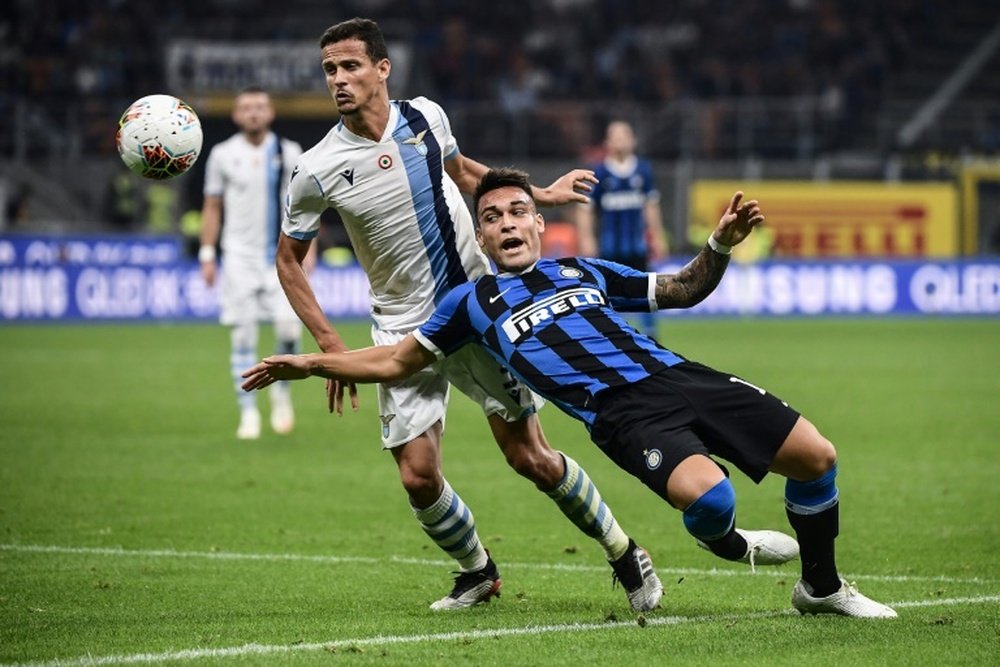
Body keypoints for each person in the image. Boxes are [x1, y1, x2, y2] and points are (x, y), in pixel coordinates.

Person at [246, 168, 898, 619]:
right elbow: (396, 359)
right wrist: (310, 360)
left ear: (538, 223)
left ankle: (821, 586)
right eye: (492, 217)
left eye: (518, 212)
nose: (506, 223)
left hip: (679, 375)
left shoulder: (580, 269)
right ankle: (732, 544)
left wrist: (718, 245)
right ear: (481, 238)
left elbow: (681, 288)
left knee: (818, 455)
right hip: (622, 414)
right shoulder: (469, 303)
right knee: (712, 498)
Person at [272, 17, 668, 613]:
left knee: (528, 455)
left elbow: (464, 173)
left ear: (383, 69)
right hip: (400, 326)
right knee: (418, 477)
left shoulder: (426, 117)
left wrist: (537, 194)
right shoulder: (316, 168)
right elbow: (288, 263)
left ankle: (623, 552)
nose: (339, 79)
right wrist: (329, 345)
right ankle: (477, 570)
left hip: (478, 310)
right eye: (329, 69)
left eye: (350, 66)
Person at [199, 86, 309, 440]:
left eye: (260, 107)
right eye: (246, 107)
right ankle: (248, 413)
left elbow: (306, 207)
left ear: (271, 113)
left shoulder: (290, 151)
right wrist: (207, 252)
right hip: (239, 257)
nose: (253, 113)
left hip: (282, 258)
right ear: (235, 115)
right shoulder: (221, 154)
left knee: (290, 330)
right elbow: (212, 206)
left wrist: (312, 253)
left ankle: (281, 393)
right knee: (243, 333)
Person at [575, 120, 667, 339]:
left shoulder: (643, 170)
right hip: (609, 246)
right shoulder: (600, 172)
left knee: (645, 286)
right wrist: (587, 238)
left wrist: (659, 236)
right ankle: (612, 332)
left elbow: (651, 205)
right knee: (607, 289)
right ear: (607, 142)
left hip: (637, 245)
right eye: (615, 137)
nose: (620, 142)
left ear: (633, 141)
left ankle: (651, 334)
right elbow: (585, 208)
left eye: (624, 136)